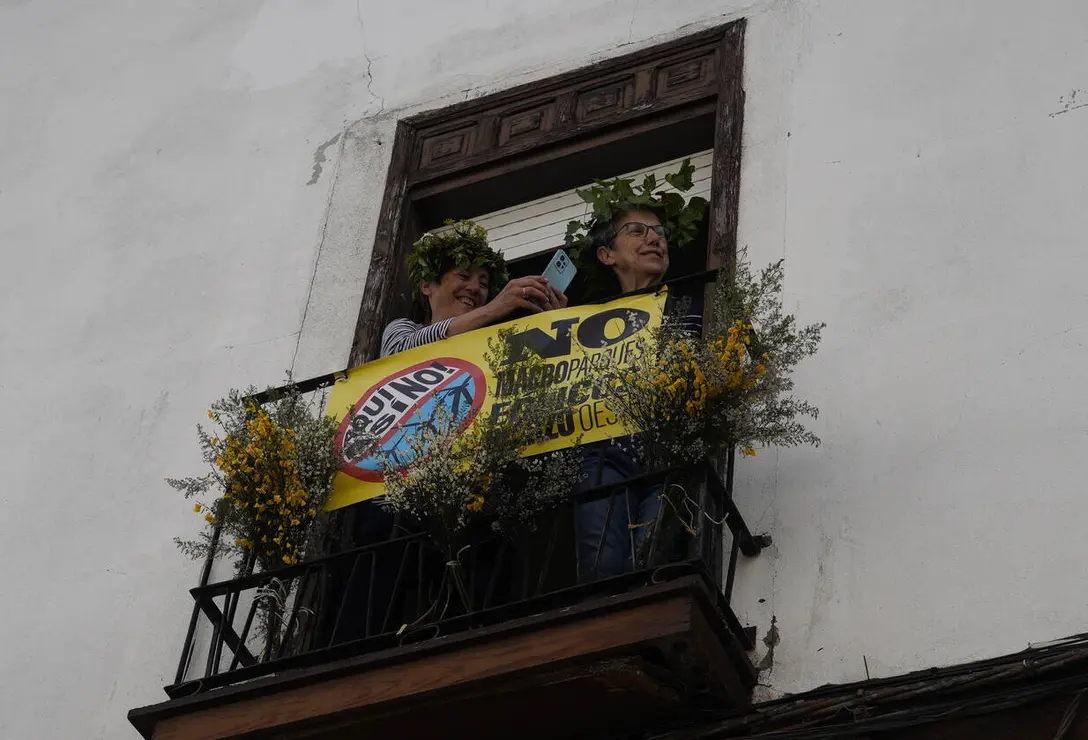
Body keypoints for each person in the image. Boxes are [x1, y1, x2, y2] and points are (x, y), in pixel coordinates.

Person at [576, 207, 699, 581]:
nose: (654, 238)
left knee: (653, 565)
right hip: (605, 454)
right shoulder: (585, 322)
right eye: (637, 230)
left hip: (670, 452)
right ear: (607, 254)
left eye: (659, 232)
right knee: (602, 569)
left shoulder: (691, 309)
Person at [381, 221, 567, 357]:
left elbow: (547, 361)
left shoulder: (496, 340)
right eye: (463, 276)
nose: (475, 288)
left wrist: (557, 324)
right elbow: (399, 352)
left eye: (484, 284)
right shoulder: (403, 329)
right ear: (427, 285)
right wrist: (494, 308)